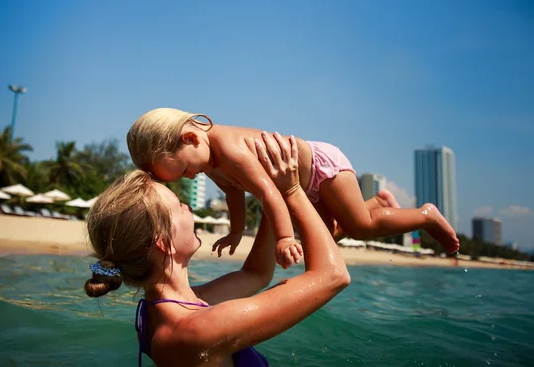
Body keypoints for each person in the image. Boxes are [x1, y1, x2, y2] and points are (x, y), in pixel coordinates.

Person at [85, 134, 351, 366]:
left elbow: (256, 274)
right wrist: (292, 189)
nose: (189, 209)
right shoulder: (195, 330)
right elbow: (333, 276)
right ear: (163, 242)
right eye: (179, 205)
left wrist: (273, 191)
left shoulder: (162, 311)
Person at [126, 108, 460, 268]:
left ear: (191, 138)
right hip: (297, 183)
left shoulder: (228, 149)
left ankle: (426, 214)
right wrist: (236, 231)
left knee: (360, 228)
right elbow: (233, 194)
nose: (189, 177)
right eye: (180, 177)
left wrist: (285, 238)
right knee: (326, 236)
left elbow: (269, 192)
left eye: (184, 169)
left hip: (319, 166)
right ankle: (377, 202)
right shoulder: (207, 162)